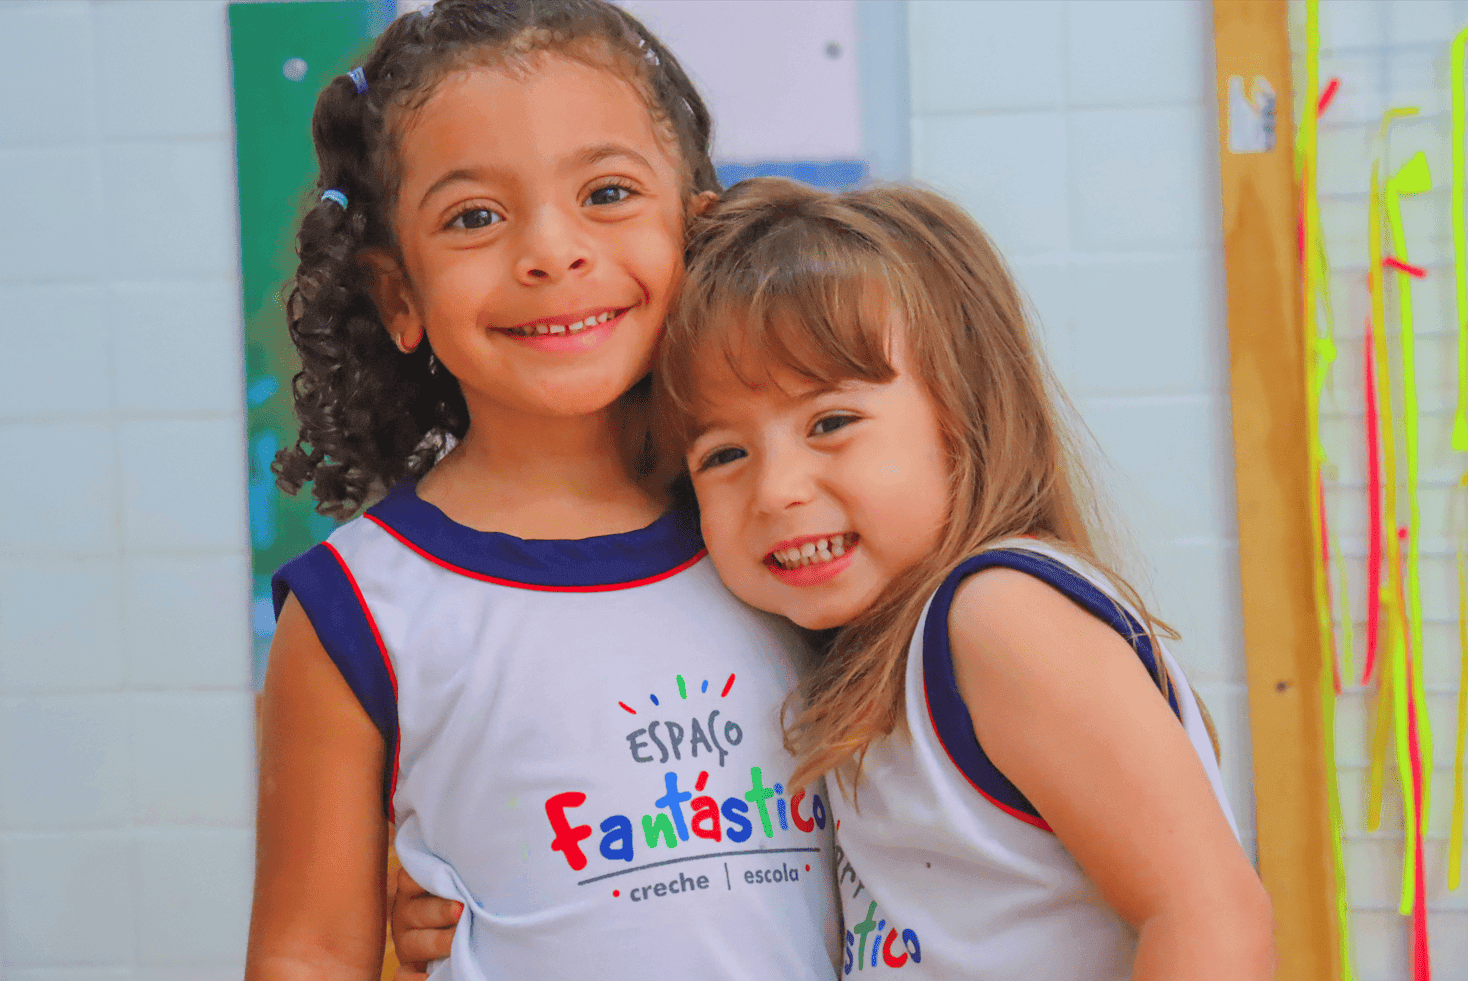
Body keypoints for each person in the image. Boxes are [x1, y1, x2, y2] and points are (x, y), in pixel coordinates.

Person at [394, 178, 1275, 979]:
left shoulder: (1000, 615)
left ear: (964, 416)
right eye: (725, 453)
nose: (776, 489)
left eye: (832, 422)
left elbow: (1211, 916)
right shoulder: (862, 660)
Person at [245, 5, 839, 978]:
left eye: (606, 192)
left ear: (692, 233)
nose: (551, 252)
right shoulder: (358, 613)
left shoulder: (796, 531)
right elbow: (306, 953)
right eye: (474, 216)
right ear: (400, 297)